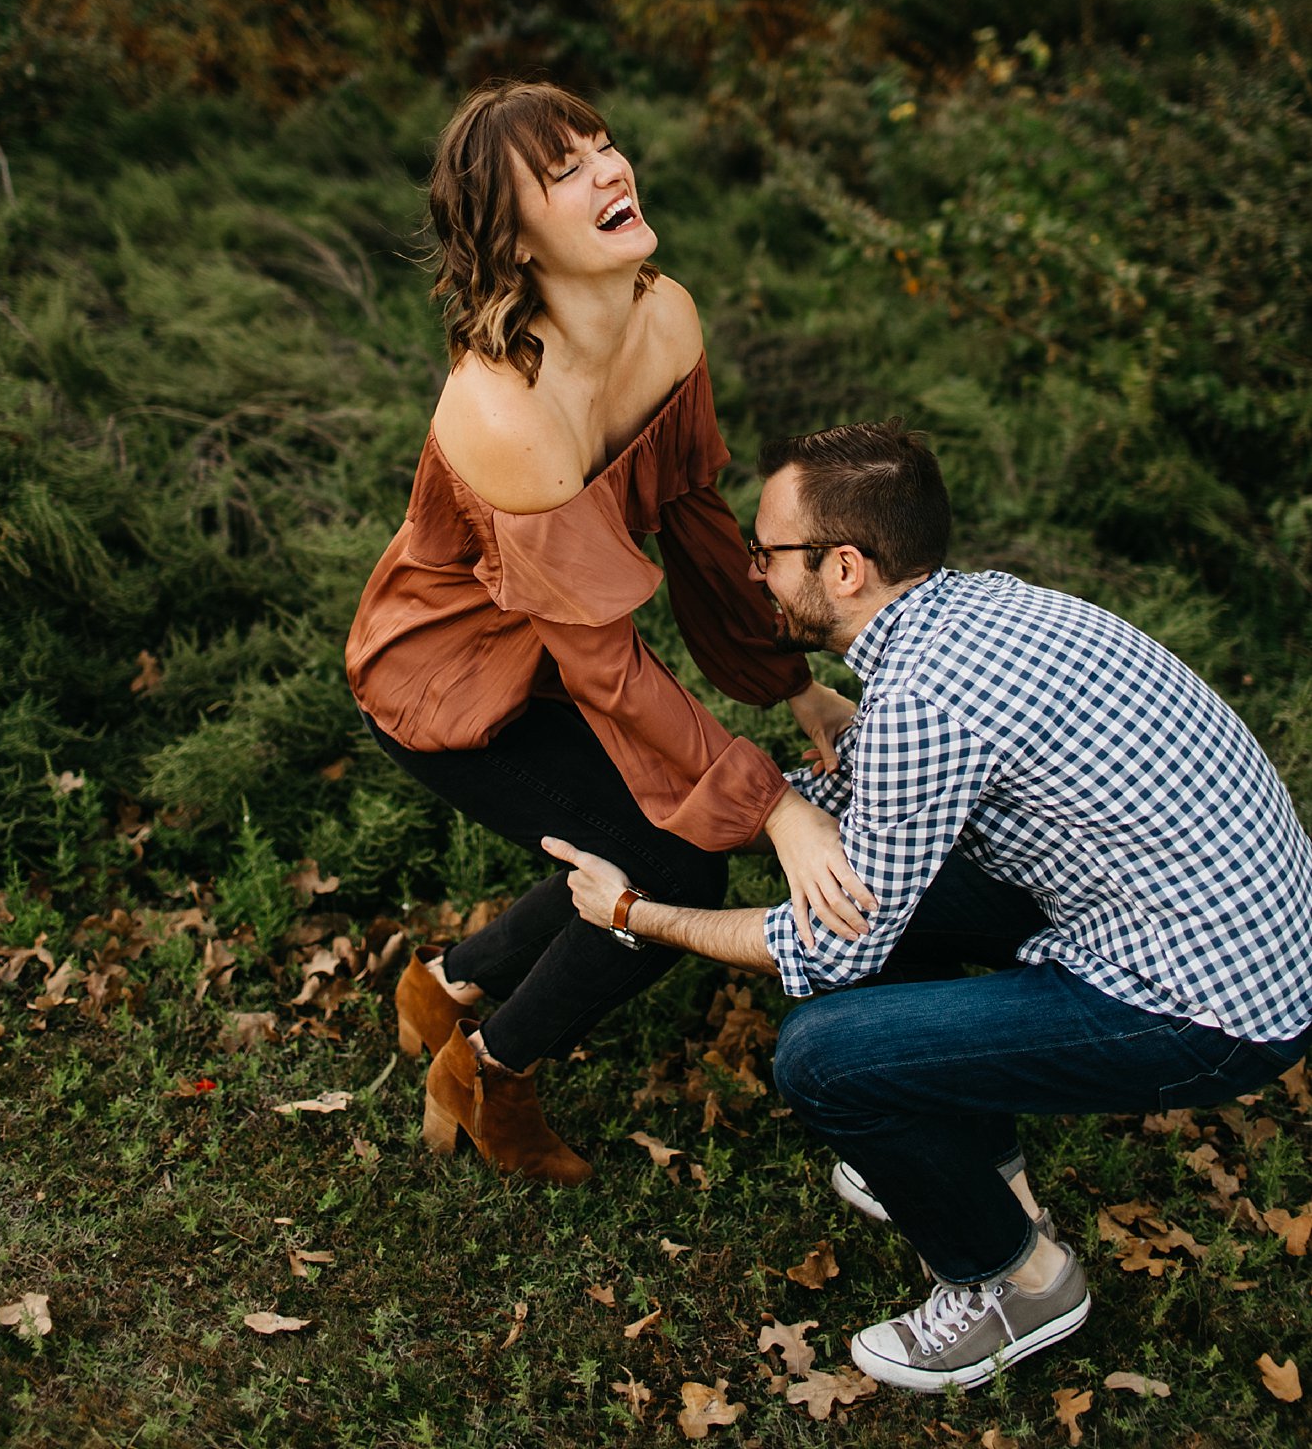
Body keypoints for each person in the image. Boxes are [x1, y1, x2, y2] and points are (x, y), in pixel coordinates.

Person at [546, 419, 1312, 1386]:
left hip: (1206, 1009)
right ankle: (967, 1162)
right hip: (1191, 917)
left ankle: (1014, 1281)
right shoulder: (976, 612)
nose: (750, 571)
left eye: (767, 553)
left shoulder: (922, 701)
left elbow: (823, 954)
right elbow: (866, 804)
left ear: (847, 568)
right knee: (884, 887)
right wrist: (735, 806)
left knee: (824, 1057)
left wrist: (630, 914)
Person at [345, 81, 860, 1185]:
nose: (612, 170)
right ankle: (490, 1072)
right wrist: (772, 805)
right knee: (676, 860)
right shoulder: (503, 412)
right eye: (566, 170)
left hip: (557, 649)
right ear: (512, 237)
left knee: (651, 841)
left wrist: (791, 687)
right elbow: (610, 668)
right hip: (451, 682)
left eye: (605, 145)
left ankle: (451, 984)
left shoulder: (664, 313)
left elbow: (694, 519)